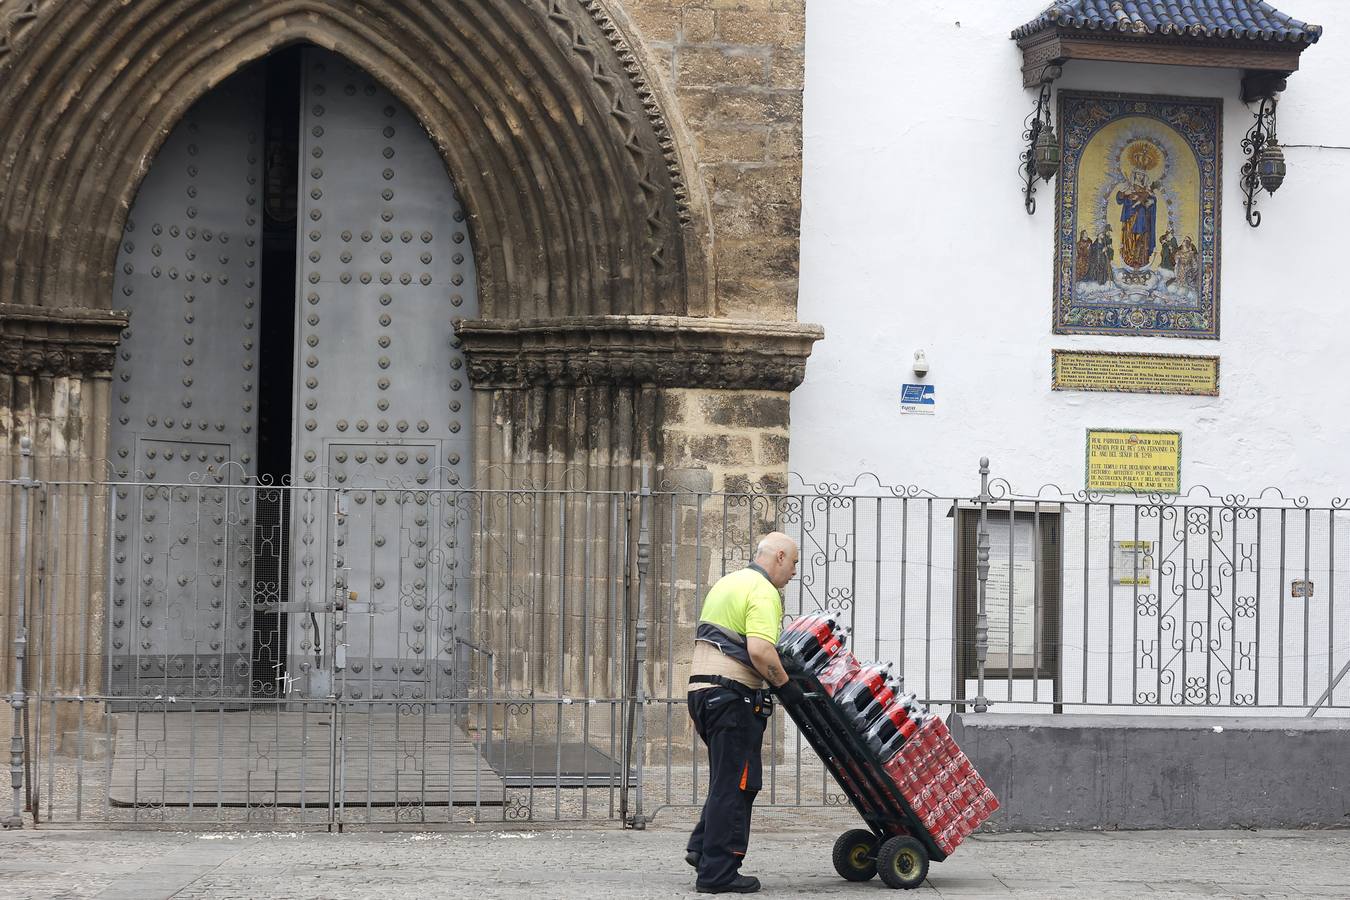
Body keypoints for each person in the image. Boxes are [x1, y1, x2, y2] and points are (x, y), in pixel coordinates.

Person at [684, 532, 800, 894]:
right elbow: (762, 651)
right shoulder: (764, 591)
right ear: (779, 556)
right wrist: (786, 688)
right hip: (732, 696)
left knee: (729, 780)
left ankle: (702, 848)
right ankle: (718, 873)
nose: (794, 572)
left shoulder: (728, 582)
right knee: (737, 784)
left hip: (702, 693)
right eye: (794, 563)